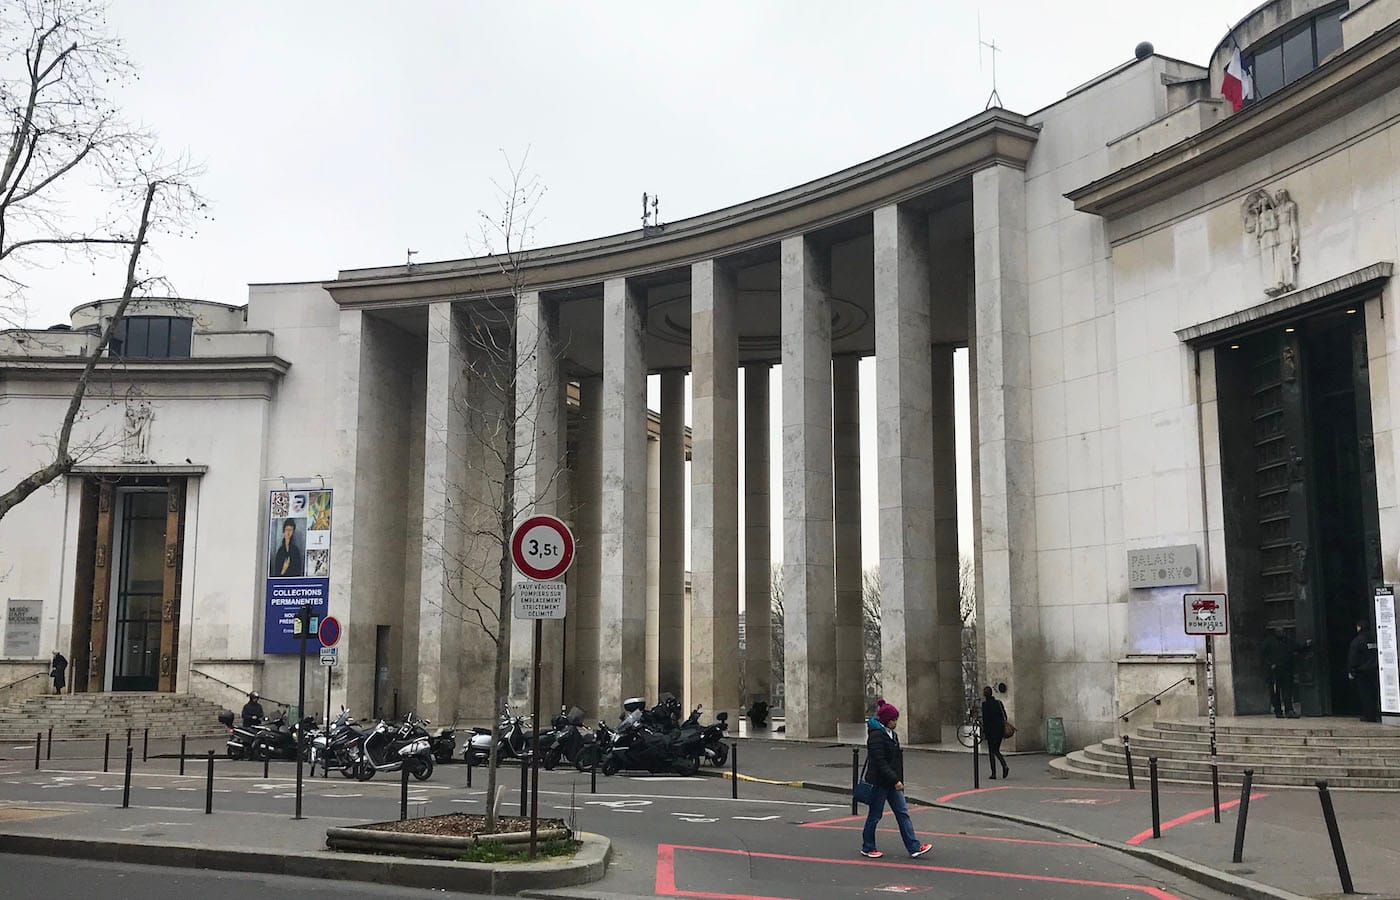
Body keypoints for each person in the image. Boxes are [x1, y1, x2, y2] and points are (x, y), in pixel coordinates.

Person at [860, 699, 932, 860]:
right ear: (886, 721)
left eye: (896, 719)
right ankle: (868, 846)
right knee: (875, 815)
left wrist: (898, 780)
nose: (895, 722)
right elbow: (880, 762)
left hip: (891, 782)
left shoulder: (893, 735)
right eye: (893, 720)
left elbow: (895, 761)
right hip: (879, 782)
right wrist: (896, 780)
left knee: (903, 813)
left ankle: (914, 847)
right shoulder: (876, 736)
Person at [1263, 627, 1311, 718]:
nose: (1281, 632)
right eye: (1279, 631)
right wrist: (1270, 664)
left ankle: (1289, 710)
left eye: (1282, 631)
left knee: (1287, 692)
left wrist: (1306, 644)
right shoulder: (1269, 642)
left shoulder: (1288, 641)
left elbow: (1298, 648)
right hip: (1274, 673)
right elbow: (1263, 656)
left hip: (1287, 671)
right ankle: (1278, 711)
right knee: (1275, 693)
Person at [1348, 621, 1380, 723]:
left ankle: (1369, 715)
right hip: (1375, 669)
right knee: (1375, 692)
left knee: (1365, 694)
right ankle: (1377, 712)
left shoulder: (1358, 640)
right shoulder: (1375, 638)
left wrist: (1351, 669)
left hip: (1362, 671)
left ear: (1359, 627)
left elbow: (1353, 657)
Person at [981, 686, 1009, 779]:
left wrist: (984, 732)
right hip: (1000, 730)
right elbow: (1005, 716)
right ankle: (1004, 766)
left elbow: (985, 720)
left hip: (990, 731)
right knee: (996, 750)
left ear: (985, 695)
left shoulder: (985, 705)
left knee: (992, 752)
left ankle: (994, 773)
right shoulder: (999, 703)